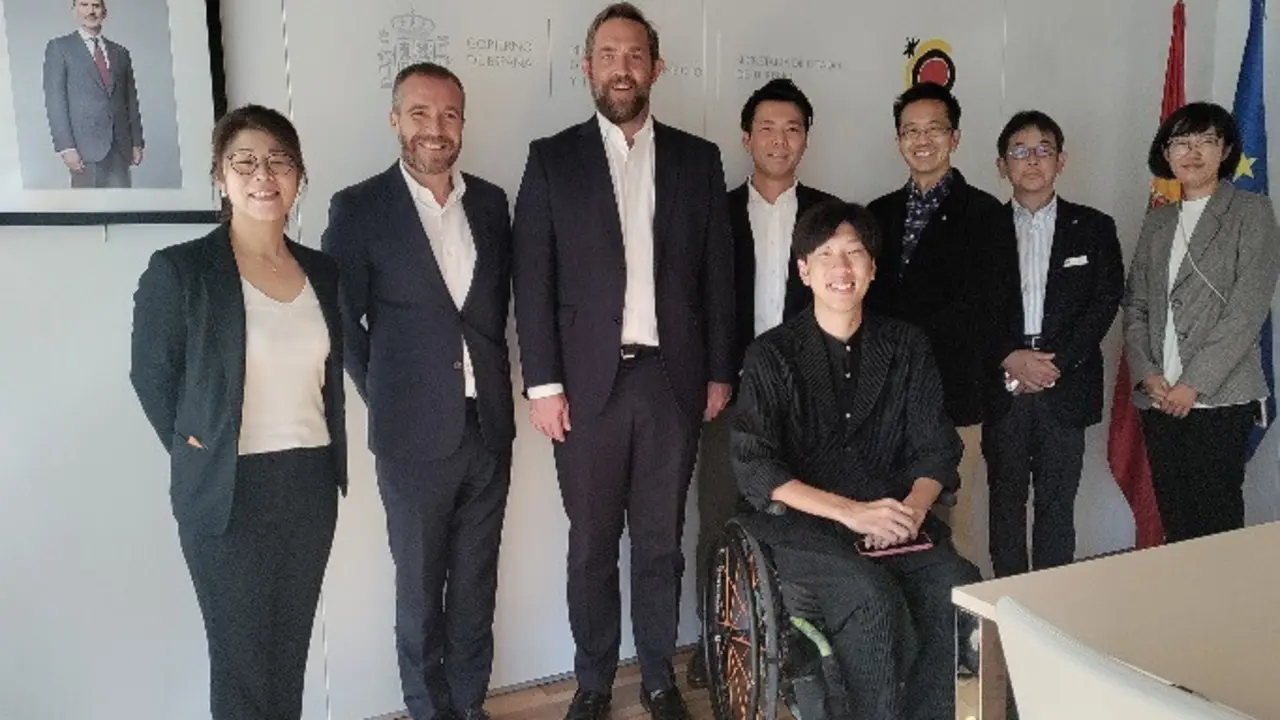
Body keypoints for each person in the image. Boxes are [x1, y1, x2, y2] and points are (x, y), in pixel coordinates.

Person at [511, 4, 734, 719]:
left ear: (656, 67)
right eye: (608, 55)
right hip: (583, 387)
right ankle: (594, 681)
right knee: (591, 544)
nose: (622, 68)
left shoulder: (698, 160)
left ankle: (660, 677)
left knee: (661, 542)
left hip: (672, 382)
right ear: (587, 66)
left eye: (635, 55)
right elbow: (532, 278)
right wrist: (543, 384)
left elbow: (717, 275)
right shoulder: (553, 158)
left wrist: (719, 371)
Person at [129, 104, 346, 720]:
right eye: (244, 161)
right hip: (227, 491)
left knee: (289, 652)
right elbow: (151, 376)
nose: (263, 175)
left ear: (299, 175)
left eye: (279, 161)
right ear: (220, 177)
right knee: (242, 663)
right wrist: (199, 444)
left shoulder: (323, 271)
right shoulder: (182, 270)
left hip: (308, 482)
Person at [732, 199, 981, 720]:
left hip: (894, 518)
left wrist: (910, 513)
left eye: (854, 253)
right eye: (825, 254)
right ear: (804, 270)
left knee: (955, 582)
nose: (841, 267)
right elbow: (756, 463)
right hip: (804, 526)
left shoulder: (907, 346)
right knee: (870, 597)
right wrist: (852, 513)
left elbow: (937, 448)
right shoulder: (771, 354)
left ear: (872, 269)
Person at [321, 63, 515, 720]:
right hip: (410, 436)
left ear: (463, 123)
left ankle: (469, 704)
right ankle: (429, 709)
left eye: (449, 114)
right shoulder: (360, 208)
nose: (436, 128)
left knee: (476, 585)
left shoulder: (490, 203)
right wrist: (385, 392)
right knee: (421, 588)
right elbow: (338, 319)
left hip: (487, 427)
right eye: (421, 113)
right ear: (395, 120)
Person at [686, 77, 837, 689]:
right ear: (746, 138)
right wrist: (709, 376)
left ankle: (794, 644)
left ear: (806, 140)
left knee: (803, 522)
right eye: (767, 128)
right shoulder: (712, 212)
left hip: (808, 399)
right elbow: (690, 305)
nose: (780, 140)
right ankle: (716, 643)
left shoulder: (829, 217)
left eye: (792, 129)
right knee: (721, 519)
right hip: (728, 395)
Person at [1123, 101, 1280, 543]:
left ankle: (1224, 594)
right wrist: (1148, 374)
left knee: (1216, 525)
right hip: (1159, 397)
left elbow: (1246, 311)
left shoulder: (1252, 212)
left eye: (1206, 141)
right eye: (1181, 142)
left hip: (1220, 398)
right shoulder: (1158, 221)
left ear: (1225, 150)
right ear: (1166, 153)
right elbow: (1135, 305)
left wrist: (1193, 384)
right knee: (1176, 519)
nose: (1192, 152)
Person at [866, 82, 1009, 563]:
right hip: (884, 401)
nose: (922, 140)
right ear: (898, 140)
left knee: (953, 527)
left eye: (934, 129)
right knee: (888, 522)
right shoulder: (878, 213)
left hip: (955, 396)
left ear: (955, 137)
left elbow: (986, 309)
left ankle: (956, 614)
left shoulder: (986, 215)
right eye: (910, 131)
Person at [984, 111, 1124, 577]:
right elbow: (970, 305)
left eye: (1043, 150)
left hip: (1066, 383)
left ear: (1061, 161)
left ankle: (1052, 604)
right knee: (1005, 504)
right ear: (1002, 164)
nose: (1032, 160)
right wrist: (1010, 358)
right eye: (1019, 151)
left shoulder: (1094, 227)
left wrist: (1055, 364)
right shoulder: (980, 229)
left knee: (1057, 506)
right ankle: (1007, 602)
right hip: (1002, 384)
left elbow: (1105, 301)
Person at [43, 0, 144, 188]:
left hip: (120, 148)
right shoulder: (60, 48)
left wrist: (136, 142)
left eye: (96, 6)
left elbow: (131, 100)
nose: (91, 11)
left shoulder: (121, 52)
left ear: (104, 12)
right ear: (74, 10)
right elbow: (55, 102)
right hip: (84, 150)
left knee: (122, 204)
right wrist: (66, 147)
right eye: (84, 4)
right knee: (88, 205)